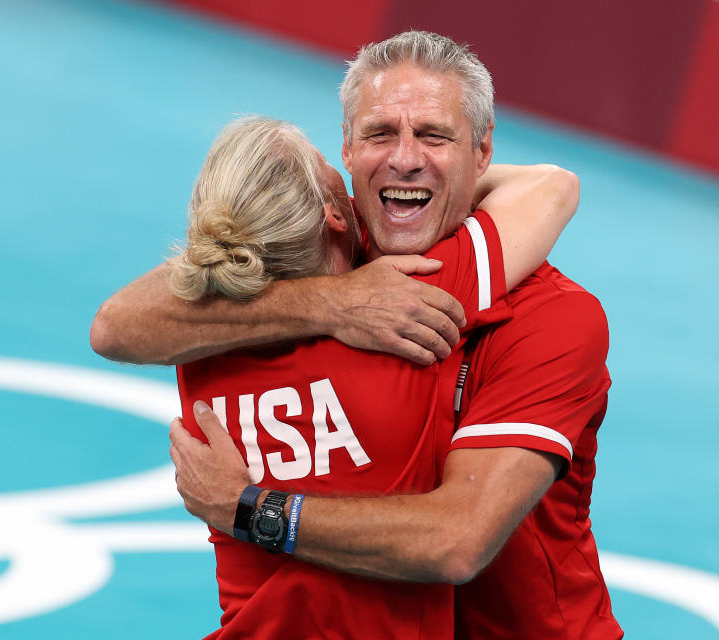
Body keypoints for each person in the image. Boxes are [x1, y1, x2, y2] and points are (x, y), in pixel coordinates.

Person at [92, 30, 622, 639]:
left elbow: (457, 538)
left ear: (482, 154)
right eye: (378, 135)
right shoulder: (324, 262)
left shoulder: (553, 318)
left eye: (433, 135)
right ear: (344, 162)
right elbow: (553, 185)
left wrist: (249, 510)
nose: (402, 158)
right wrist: (331, 302)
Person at [166, 113, 572, 638]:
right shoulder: (415, 316)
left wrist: (242, 506)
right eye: (328, 165)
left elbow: (120, 324)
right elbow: (552, 186)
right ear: (335, 216)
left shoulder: (194, 344)